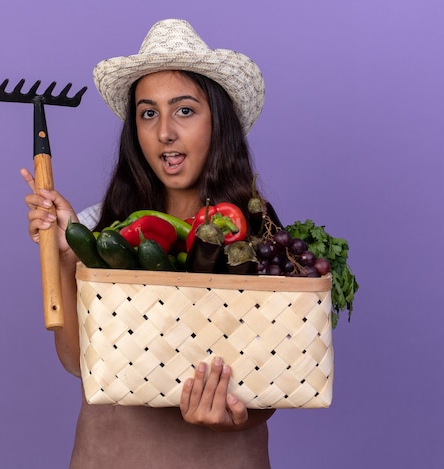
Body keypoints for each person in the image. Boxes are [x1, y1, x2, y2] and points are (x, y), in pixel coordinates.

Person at [21, 19, 278, 468]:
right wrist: (66, 256)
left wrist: (234, 417)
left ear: (217, 121)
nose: (164, 132)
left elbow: (278, 373)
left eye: (184, 110)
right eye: (148, 112)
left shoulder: (258, 236)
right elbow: (79, 365)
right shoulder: (99, 227)